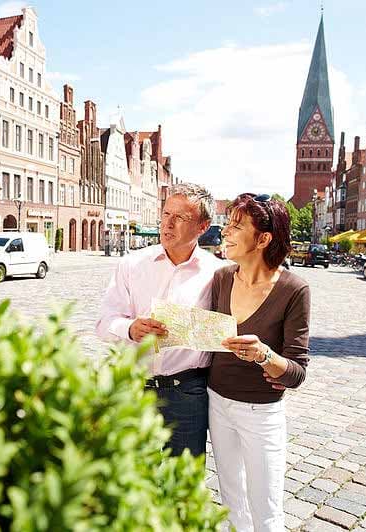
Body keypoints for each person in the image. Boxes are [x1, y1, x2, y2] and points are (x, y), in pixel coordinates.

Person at [208, 193, 310, 531]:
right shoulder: (221, 278)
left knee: (266, 509)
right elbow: (205, 337)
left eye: (237, 226)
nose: (226, 231)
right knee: (230, 501)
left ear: (263, 239)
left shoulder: (294, 289)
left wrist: (264, 354)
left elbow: (296, 373)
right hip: (217, 402)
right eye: (228, 224)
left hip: (261, 411)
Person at [96, 183, 222, 456]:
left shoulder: (218, 274)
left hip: (187, 395)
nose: (168, 224)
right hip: (134, 389)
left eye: (181, 218)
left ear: (203, 226)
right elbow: (103, 322)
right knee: (131, 479)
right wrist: (130, 328)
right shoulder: (132, 264)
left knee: (182, 482)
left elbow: (226, 333)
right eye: (166, 214)